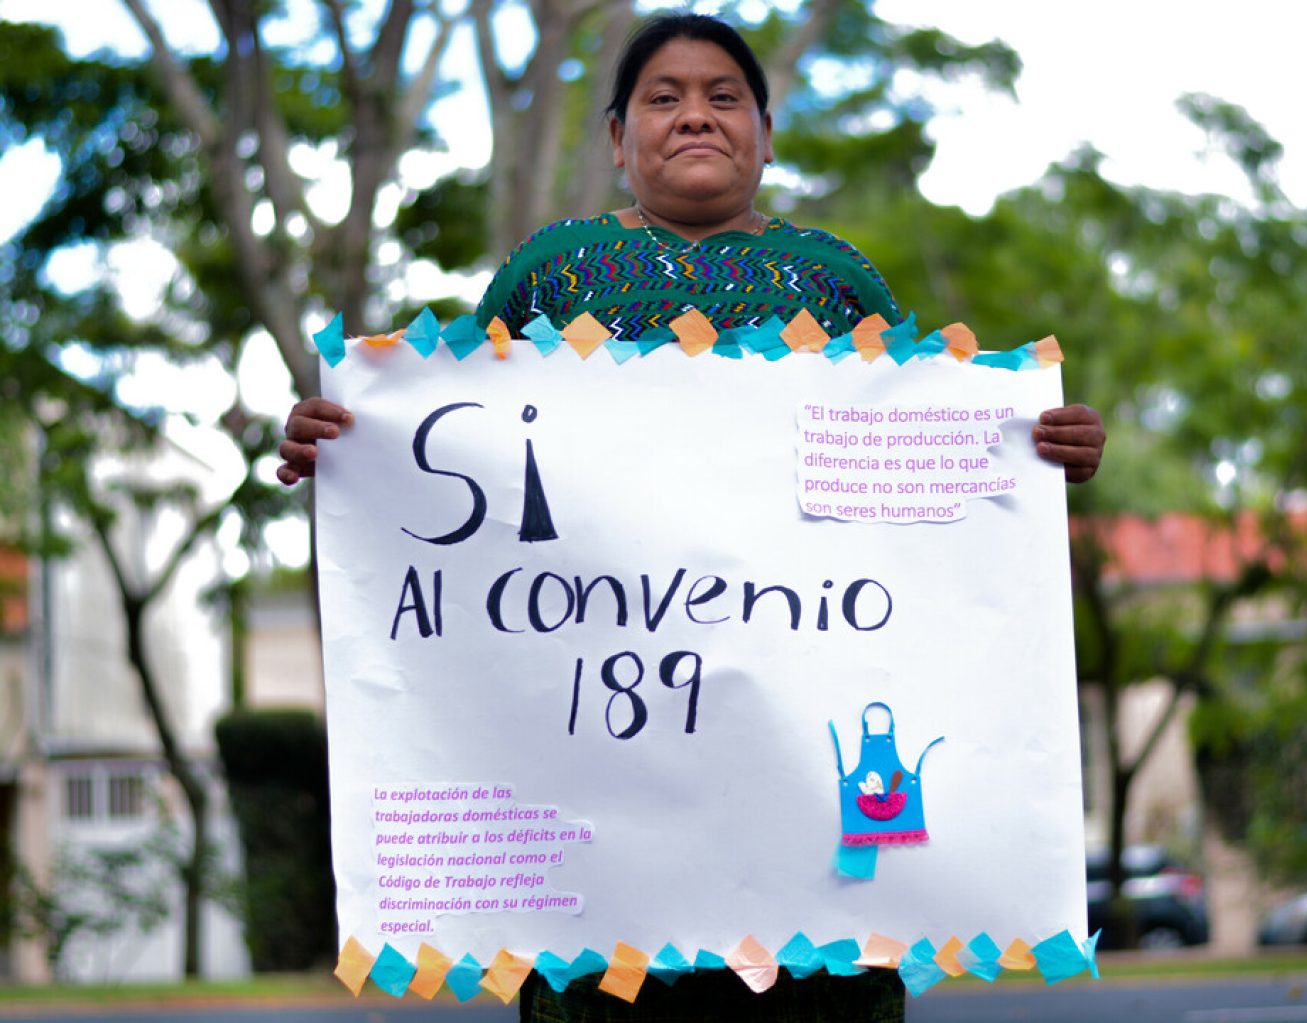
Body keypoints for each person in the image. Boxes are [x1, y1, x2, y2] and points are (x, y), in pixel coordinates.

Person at [278, 13, 1105, 1020]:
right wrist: (349, 447)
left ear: (764, 128)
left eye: (723, 97)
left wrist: (1022, 450)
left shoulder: (835, 284)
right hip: (600, 802)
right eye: (663, 99)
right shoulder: (551, 274)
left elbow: (907, 493)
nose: (695, 116)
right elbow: (467, 456)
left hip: (799, 769)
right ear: (619, 139)